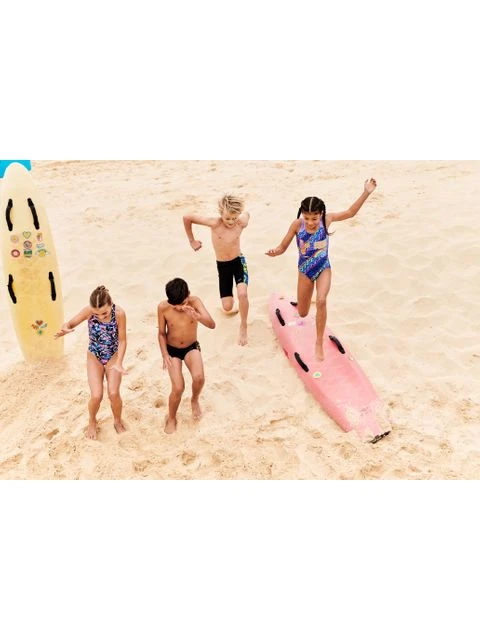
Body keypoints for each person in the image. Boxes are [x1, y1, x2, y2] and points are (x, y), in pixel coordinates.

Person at [266, 178, 377, 361]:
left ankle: (318, 342)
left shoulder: (327, 220)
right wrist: (275, 252)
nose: (310, 222)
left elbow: (350, 212)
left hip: (323, 267)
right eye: (307, 218)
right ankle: (305, 301)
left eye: (314, 218)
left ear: (321, 214)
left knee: (322, 300)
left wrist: (366, 192)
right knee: (303, 313)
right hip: (305, 270)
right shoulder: (297, 225)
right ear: (302, 215)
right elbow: (283, 247)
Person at [54, 285, 127, 440]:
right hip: (94, 356)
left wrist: (119, 362)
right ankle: (92, 421)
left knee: (114, 393)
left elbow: (122, 340)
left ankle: (117, 420)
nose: (100, 317)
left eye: (104, 313)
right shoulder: (88, 311)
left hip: (113, 356)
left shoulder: (119, 314)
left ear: (111, 304)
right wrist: (65, 329)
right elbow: (69, 324)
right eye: (96, 314)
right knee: (96, 395)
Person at [183, 194, 250, 346]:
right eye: (227, 218)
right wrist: (192, 241)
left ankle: (243, 326)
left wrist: (243, 214)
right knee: (227, 306)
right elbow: (187, 218)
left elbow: (247, 214)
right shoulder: (214, 223)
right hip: (223, 266)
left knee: (242, 294)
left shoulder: (241, 222)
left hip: (238, 262)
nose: (231, 222)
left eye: (234, 218)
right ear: (221, 213)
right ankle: (233, 304)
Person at [157, 277, 216, 434]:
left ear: (188, 294)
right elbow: (161, 333)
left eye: (183, 303)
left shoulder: (195, 302)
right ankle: (171, 417)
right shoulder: (163, 308)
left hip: (191, 346)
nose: (180, 308)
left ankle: (194, 399)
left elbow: (212, 324)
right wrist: (164, 354)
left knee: (199, 378)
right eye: (175, 306)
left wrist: (197, 316)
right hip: (172, 350)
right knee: (178, 387)